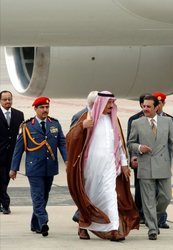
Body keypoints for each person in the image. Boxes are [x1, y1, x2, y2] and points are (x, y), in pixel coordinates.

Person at [66, 91, 139, 241]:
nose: (111, 106)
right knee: (90, 197)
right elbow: (70, 138)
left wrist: (124, 164)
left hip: (110, 166)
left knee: (110, 195)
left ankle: (113, 229)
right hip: (90, 168)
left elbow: (119, 144)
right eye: (109, 103)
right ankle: (83, 226)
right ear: (100, 103)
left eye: (113, 103)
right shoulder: (87, 118)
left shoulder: (114, 120)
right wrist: (81, 127)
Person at [127, 95, 173, 240]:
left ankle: (155, 216)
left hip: (163, 164)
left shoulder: (168, 121)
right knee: (148, 200)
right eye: (143, 106)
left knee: (166, 197)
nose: (145, 109)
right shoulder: (136, 123)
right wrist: (139, 148)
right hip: (145, 165)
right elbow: (130, 143)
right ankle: (152, 228)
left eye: (148, 107)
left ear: (156, 107)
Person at [9, 96, 67, 237]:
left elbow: (62, 143)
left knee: (44, 195)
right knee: (38, 196)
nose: (45, 110)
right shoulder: (27, 125)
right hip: (34, 168)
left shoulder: (55, 124)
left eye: (47, 107)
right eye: (42, 107)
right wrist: (13, 168)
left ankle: (35, 224)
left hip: (50, 167)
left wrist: (67, 161)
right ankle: (43, 222)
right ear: (35, 109)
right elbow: (18, 148)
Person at [152, 91, 173, 228]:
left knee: (165, 194)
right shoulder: (142, 118)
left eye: (160, 103)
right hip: (148, 161)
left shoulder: (169, 119)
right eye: (156, 103)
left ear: (163, 104)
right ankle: (151, 217)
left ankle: (160, 216)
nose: (158, 106)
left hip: (164, 160)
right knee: (151, 192)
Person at [70, 90, 98, 223]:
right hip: (84, 160)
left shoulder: (103, 115)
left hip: (98, 159)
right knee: (85, 188)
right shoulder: (80, 116)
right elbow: (71, 138)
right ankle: (80, 214)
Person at [127, 93, 150, 224]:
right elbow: (131, 140)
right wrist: (133, 157)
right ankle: (140, 213)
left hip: (156, 159)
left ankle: (158, 216)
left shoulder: (163, 119)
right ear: (141, 105)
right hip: (140, 159)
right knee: (140, 188)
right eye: (145, 104)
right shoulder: (134, 120)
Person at [0, 90, 24, 214]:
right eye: (5, 99)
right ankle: (5, 204)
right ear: (0, 101)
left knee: (6, 179)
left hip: (12, 154)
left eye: (9, 99)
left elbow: (21, 135)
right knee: (1, 180)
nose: (8, 101)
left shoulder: (19, 115)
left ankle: (2, 202)